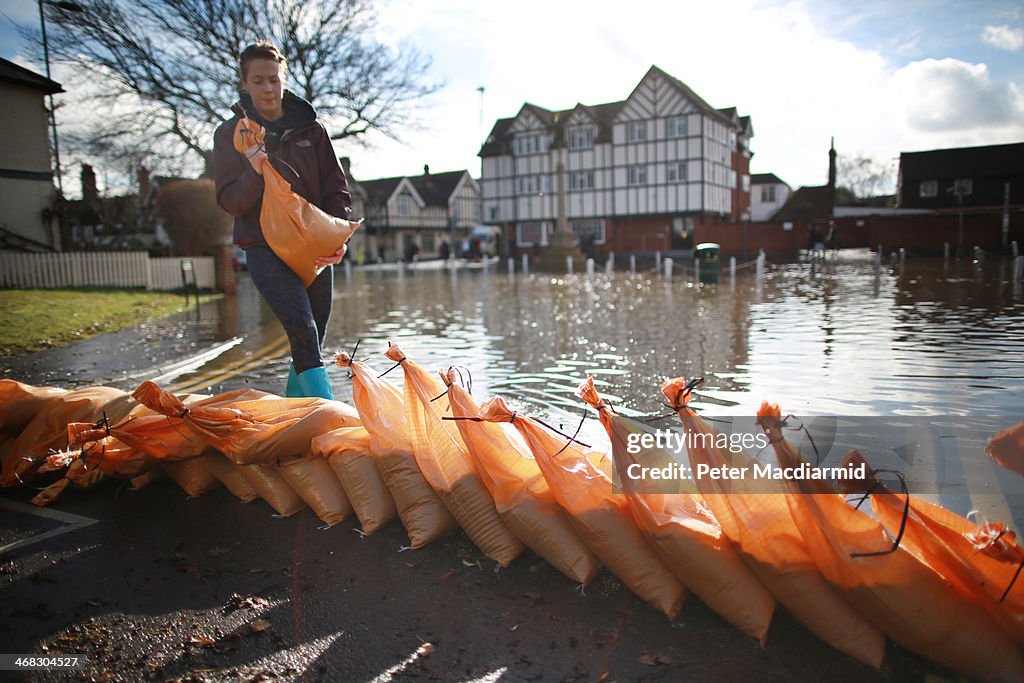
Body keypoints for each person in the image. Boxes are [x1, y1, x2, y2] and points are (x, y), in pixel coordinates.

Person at [213, 41, 351, 400]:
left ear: (283, 79)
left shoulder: (312, 129)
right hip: (263, 246)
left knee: (311, 341)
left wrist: (336, 237)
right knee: (303, 331)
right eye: (258, 81)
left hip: (313, 246)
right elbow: (231, 201)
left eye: (274, 80)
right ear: (245, 84)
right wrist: (255, 170)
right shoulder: (231, 135)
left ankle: (295, 417)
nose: (269, 89)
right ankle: (329, 420)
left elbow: (336, 188)